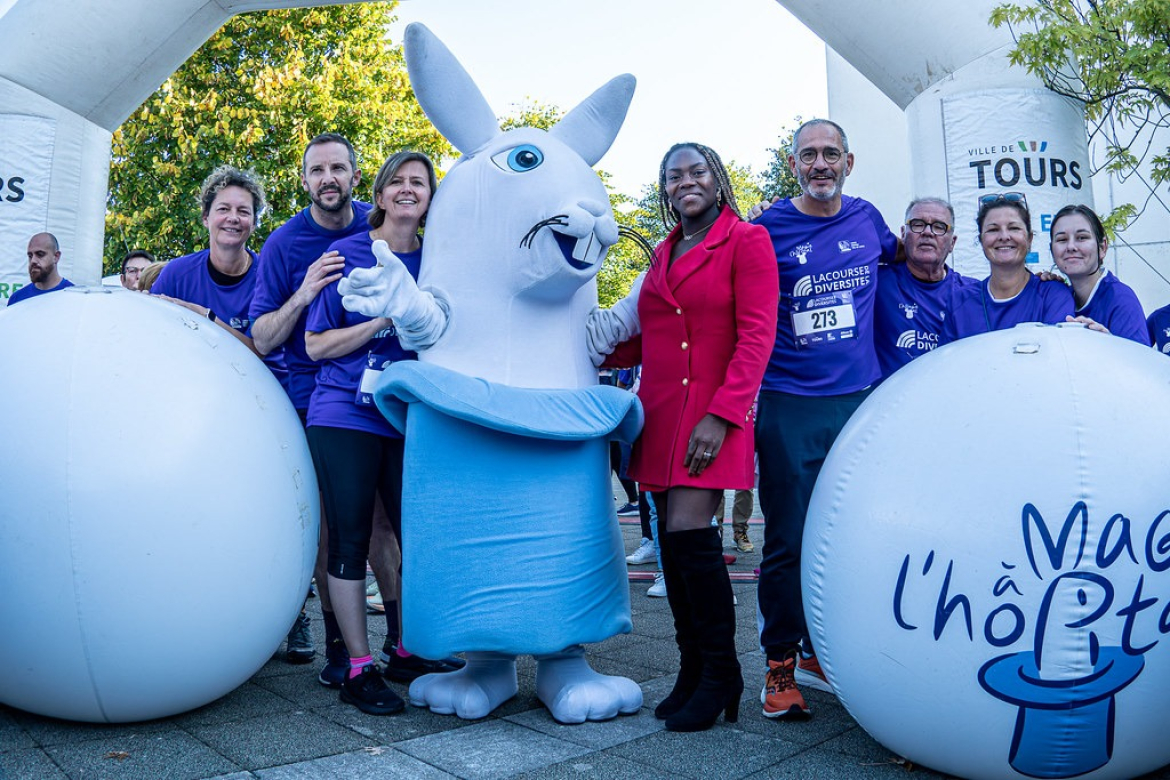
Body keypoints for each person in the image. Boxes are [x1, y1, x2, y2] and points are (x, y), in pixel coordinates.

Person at [605, 142, 779, 732]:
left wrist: (724, 414)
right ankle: (693, 668)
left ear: (718, 178)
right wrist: (585, 344)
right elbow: (649, 334)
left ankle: (722, 673)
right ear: (665, 188)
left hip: (711, 415)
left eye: (697, 171)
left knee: (687, 534)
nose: (686, 182)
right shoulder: (664, 249)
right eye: (674, 176)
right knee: (673, 549)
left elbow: (756, 336)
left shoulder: (747, 240)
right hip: (660, 415)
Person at [751, 119, 898, 720]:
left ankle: (827, 648)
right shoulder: (765, 228)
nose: (820, 164)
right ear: (793, 165)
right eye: (808, 154)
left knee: (861, 535)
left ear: (848, 162)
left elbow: (916, 266)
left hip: (859, 404)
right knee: (789, 538)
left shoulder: (868, 220)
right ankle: (779, 664)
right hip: (789, 403)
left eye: (830, 154)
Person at [304, 150, 450, 715]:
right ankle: (359, 668)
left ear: (430, 198)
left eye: (420, 182)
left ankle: (406, 648)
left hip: (411, 417)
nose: (408, 189)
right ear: (381, 194)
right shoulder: (346, 254)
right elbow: (316, 345)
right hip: (345, 413)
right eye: (398, 182)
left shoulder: (441, 259)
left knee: (418, 536)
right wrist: (384, 319)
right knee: (350, 538)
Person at [247, 133, 392, 680]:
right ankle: (340, 647)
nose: (327, 178)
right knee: (333, 526)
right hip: (318, 402)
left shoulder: (378, 225)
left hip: (386, 394)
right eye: (317, 170)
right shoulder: (285, 243)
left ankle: (403, 640)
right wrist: (305, 292)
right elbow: (262, 336)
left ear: (355, 174)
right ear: (304, 179)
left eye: (337, 168)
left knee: (385, 524)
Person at [150, 165, 269, 356]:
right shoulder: (177, 275)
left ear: (254, 223)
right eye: (223, 209)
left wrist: (206, 317)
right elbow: (150, 333)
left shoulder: (269, 276)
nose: (233, 218)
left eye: (243, 211)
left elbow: (262, 352)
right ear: (205, 218)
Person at [942, 193, 1074, 342]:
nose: (1004, 236)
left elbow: (1058, 350)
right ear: (981, 240)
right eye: (993, 230)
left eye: (1014, 228)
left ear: (1029, 239)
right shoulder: (960, 302)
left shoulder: (1053, 295)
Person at [875, 197, 975, 378]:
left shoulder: (972, 294)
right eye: (918, 224)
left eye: (939, 227)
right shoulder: (876, 282)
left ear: (952, 243)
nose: (927, 232)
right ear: (903, 234)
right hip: (891, 395)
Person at [1049, 204, 1149, 344]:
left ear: (1102, 247)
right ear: (1052, 251)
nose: (1071, 246)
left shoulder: (1121, 299)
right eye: (1062, 239)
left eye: (1082, 237)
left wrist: (1109, 344)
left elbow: (1141, 357)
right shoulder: (1056, 296)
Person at [9, 233, 73, 305]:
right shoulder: (17, 299)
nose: (33, 261)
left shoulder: (73, 297)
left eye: (40, 254)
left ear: (56, 257)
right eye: (30, 256)